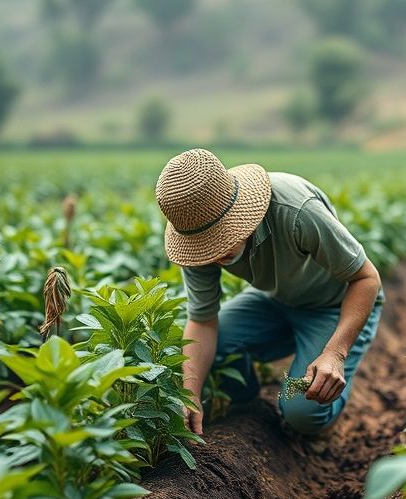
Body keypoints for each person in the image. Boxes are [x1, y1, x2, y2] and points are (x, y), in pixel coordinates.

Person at [154, 148, 383, 438]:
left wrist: (335, 353)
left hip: (335, 305)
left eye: (221, 239)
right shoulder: (195, 232)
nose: (214, 252)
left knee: (303, 414)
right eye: (205, 245)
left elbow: (366, 278)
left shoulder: (297, 210)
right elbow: (202, 319)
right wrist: (190, 395)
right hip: (275, 301)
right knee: (208, 352)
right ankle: (250, 406)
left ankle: (329, 416)